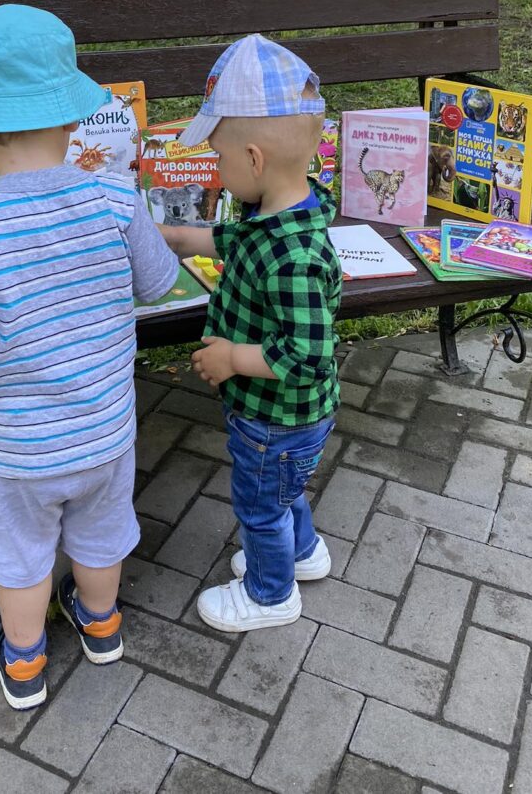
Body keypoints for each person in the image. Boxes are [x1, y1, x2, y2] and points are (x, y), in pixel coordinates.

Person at [0, 5, 178, 710]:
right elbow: (159, 283)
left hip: (22, 447)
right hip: (104, 430)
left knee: (24, 554)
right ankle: (101, 625)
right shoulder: (117, 197)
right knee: (100, 536)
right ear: (72, 120)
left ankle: (25, 660)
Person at [159, 34, 341, 632]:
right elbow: (230, 241)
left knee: (260, 506)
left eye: (219, 159)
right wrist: (174, 237)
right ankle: (304, 553)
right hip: (277, 420)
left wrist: (234, 358)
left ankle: (270, 594)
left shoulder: (293, 257)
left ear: (255, 160)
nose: (215, 171)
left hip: (276, 420)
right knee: (283, 492)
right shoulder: (274, 217)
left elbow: (307, 356)